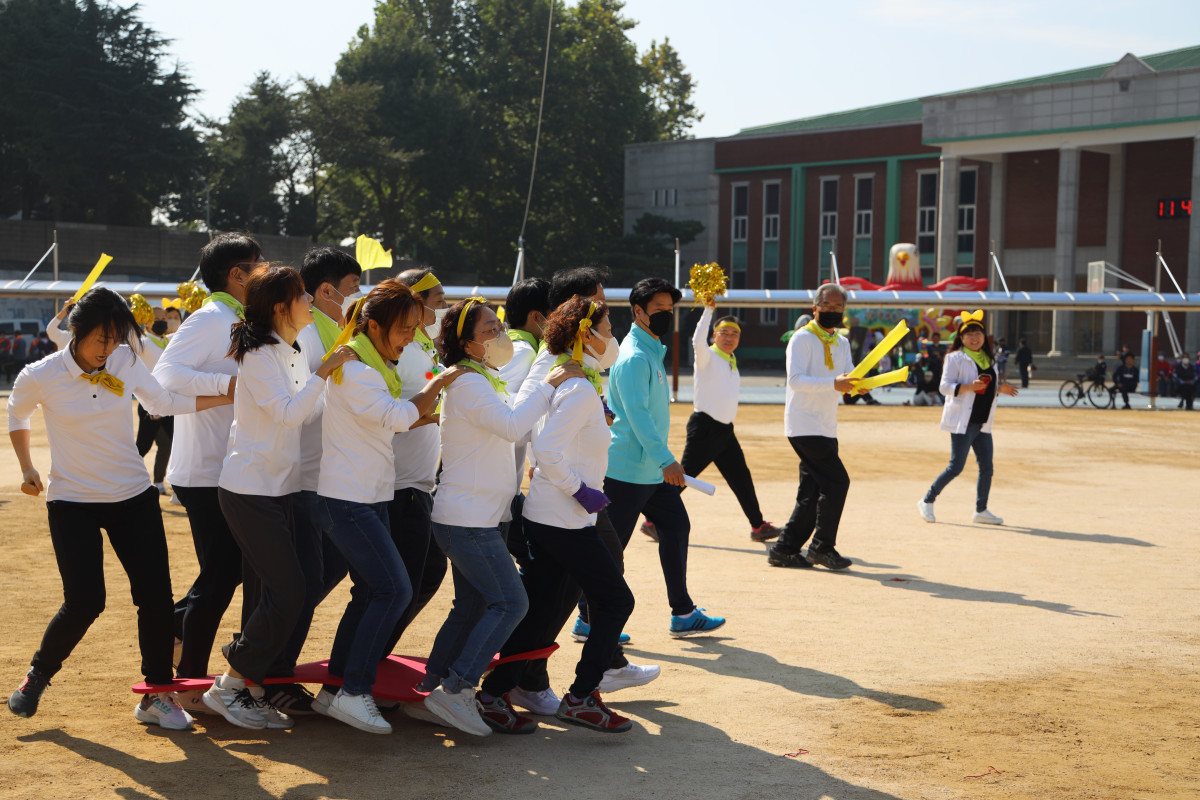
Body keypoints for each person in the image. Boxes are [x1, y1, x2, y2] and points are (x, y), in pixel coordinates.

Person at [6, 287, 232, 729]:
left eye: (115, 340)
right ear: (77, 331)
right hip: (72, 501)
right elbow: (17, 413)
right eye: (100, 340)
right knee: (85, 601)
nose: (107, 350)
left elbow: (161, 402)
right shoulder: (41, 373)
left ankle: (156, 694)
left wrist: (228, 393)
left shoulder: (125, 361)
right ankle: (37, 676)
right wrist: (28, 467)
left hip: (132, 497)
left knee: (155, 598)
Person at [418, 297, 581, 737]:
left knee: (470, 605)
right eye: (489, 329)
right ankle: (456, 691)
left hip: (478, 517)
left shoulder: (483, 377)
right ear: (466, 342)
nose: (500, 334)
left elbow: (518, 426)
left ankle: (430, 687)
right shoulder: (469, 384)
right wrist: (549, 384)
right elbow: (512, 427)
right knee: (511, 602)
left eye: (499, 325)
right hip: (467, 520)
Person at [202, 265, 356, 730]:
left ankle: (249, 688)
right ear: (279, 307)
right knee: (290, 590)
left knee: (277, 590)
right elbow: (290, 415)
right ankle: (228, 685)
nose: (310, 303)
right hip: (250, 490)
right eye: (302, 297)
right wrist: (325, 372)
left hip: (280, 488)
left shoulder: (288, 349)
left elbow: (311, 412)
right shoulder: (259, 355)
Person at [478, 297, 640, 734]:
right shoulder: (579, 387)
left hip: (554, 516)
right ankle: (582, 697)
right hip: (564, 518)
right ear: (586, 335)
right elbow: (546, 449)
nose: (613, 338)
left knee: (544, 611)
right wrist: (581, 491)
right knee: (615, 600)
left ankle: (494, 694)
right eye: (608, 328)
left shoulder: (579, 381)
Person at [313, 280, 464, 734]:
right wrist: (440, 383)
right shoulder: (357, 368)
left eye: (413, 329)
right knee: (394, 589)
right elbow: (399, 418)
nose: (409, 339)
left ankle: (334, 690)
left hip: (367, 494)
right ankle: (354, 692)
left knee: (371, 592)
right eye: (403, 331)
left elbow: (396, 415)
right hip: (348, 498)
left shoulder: (372, 361)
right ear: (373, 326)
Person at [153, 233, 263, 712]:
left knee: (228, 573)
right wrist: (232, 384)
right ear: (236, 275)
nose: (266, 273)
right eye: (258, 267)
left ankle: (174, 634)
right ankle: (190, 680)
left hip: (232, 469)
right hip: (203, 472)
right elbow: (166, 375)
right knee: (221, 576)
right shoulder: (209, 318)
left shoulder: (239, 319)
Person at [605, 277, 726, 635]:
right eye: (658, 310)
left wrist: (661, 461)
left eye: (669, 310)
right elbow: (636, 417)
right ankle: (586, 618)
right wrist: (666, 460)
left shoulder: (652, 350)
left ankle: (683, 613)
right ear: (638, 311)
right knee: (611, 549)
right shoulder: (633, 357)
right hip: (627, 471)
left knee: (676, 526)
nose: (665, 316)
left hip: (651, 472)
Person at [381, 267, 453, 661]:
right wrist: (436, 410)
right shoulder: (401, 351)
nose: (443, 307)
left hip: (419, 484)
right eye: (438, 300)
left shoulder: (423, 346)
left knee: (426, 574)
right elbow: (392, 414)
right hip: (398, 485)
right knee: (405, 581)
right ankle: (360, 668)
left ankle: (373, 657)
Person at [767, 282, 860, 570]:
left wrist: (860, 386)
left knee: (812, 490)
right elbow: (795, 380)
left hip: (827, 425)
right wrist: (835, 383)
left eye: (838, 307)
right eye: (828, 306)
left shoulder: (842, 343)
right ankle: (821, 547)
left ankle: (785, 549)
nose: (833, 311)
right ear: (815, 308)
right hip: (803, 424)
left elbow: (848, 378)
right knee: (837, 482)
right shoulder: (802, 339)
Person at [681, 301, 779, 542]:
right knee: (683, 477)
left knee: (742, 479)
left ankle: (758, 526)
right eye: (724, 332)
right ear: (714, 336)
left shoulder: (731, 361)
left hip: (725, 431)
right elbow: (696, 341)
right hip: (704, 428)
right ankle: (652, 519)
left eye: (735, 333)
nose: (730, 337)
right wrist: (708, 309)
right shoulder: (707, 356)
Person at [917, 311, 1019, 526]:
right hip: (963, 421)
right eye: (970, 334)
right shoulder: (955, 358)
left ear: (984, 337)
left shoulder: (989, 359)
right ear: (961, 338)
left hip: (982, 422)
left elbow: (988, 387)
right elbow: (944, 387)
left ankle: (981, 510)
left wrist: (1000, 388)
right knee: (956, 467)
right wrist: (967, 387)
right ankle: (927, 500)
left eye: (978, 334)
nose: (975, 338)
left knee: (987, 467)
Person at [135, 306, 173, 495]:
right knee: (143, 446)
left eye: (164, 317)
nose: (161, 321)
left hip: (169, 403)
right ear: (147, 321)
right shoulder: (142, 343)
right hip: (149, 404)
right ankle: (129, 479)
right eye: (156, 318)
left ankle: (160, 481)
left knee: (171, 444)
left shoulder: (168, 341)